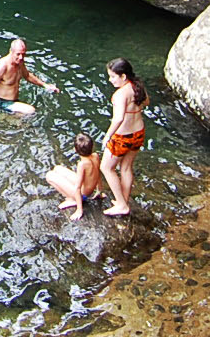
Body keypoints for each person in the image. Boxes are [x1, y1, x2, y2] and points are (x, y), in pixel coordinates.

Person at [99, 57, 149, 216]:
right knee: (126, 167)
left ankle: (121, 205)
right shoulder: (137, 86)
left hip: (122, 136)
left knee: (106, 168)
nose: (110, 80)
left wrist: (107, 136)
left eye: (113, 76)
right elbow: (146, 102)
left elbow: (118, 118)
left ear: (123, 76)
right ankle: (123, 200)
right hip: (138, 133)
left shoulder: (120, 94)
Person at [0, 38, 59, 117]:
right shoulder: (3, 66)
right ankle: (6, 120)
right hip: (0, 101)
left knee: (20, 121)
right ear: (11, 51)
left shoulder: (19, 61)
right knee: (31, 111)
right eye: (18, 54)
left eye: (23, 54)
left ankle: (6, 120)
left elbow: (27, 75)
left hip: (13, 101)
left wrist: (45, 85)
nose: (21, 57)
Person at [45, 133, 104, 220]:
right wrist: (99, 190)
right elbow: (98, 172)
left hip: (82, 195)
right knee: (57, 169)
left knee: (49, 176)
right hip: (87, 190)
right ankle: (74, 198)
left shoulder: (82, 164)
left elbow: (77, 187)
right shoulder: (95, 156)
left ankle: (71, 199)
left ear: (75, 150)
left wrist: (79, 210)